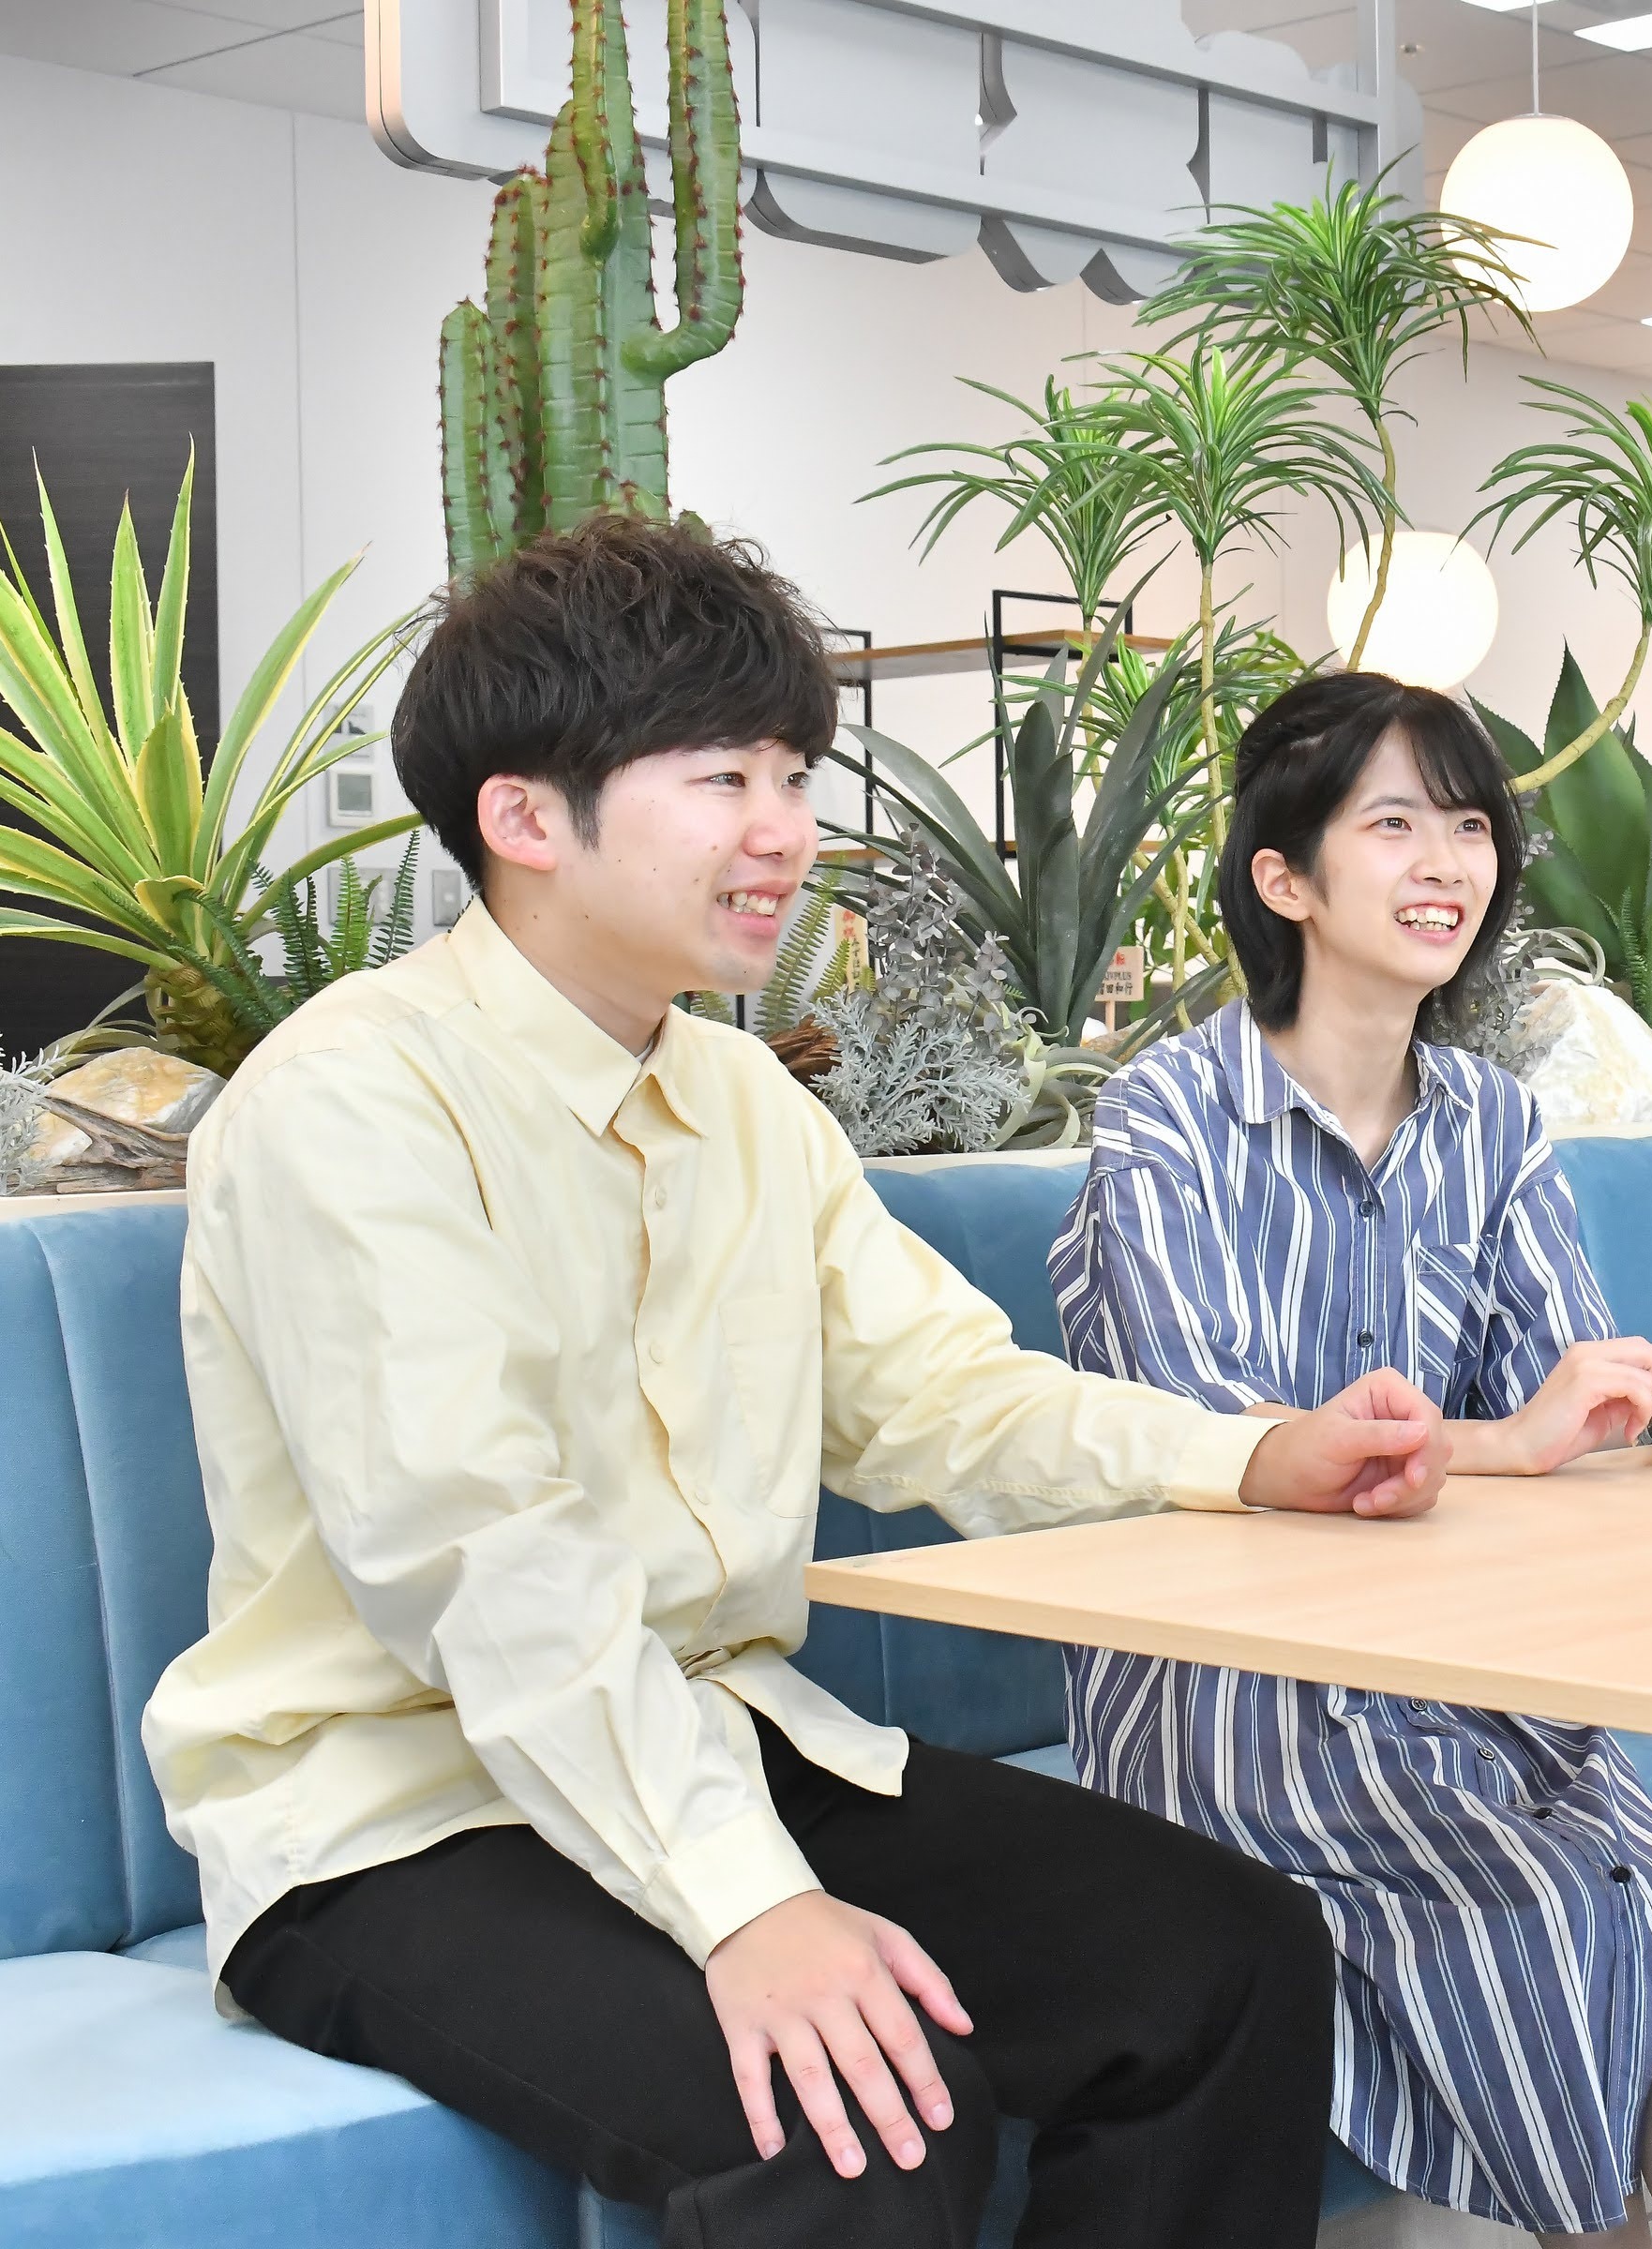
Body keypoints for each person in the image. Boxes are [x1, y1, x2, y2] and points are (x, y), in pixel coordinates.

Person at [143, 517, 1459, 2249]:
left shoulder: (748, 1101)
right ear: (524, 818)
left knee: (1227, 1955)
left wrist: (1252, 1454)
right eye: (720, 779)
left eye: (792, 774)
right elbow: (489, 1574)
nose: (784, 832)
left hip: (718, 1732)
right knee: (859, 2126)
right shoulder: (350, 1104)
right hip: (394, 1818)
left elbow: (945, 1394)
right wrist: (748, 1902)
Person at [1045, 670, 1652, 2249]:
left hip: (1462, 1666)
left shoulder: (1492, 1123)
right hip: (1228, 1692)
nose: (1447, 861)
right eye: (1393, 825)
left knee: (1650, 1890)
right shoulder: (1166, 1117)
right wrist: (1510, 1437)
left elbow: (1556, 1412)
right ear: (1283, 878)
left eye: (1469, 825)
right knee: (1552, 1905)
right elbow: (1211, 1437)